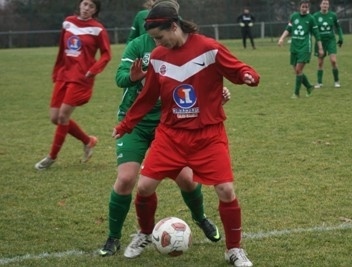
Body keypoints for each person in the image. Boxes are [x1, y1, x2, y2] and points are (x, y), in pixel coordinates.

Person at [112, 2, 260, 266]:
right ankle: (145, 233)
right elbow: (147, 98)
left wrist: (248, 75)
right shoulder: (158, 56)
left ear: (173, 26)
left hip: (208, 134)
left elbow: (237, 68)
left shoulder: (208, 48)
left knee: (226, 190)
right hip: (171, 135)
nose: (158, 43)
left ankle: (234, 249)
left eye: (160, 36)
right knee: (144, 186)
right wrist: (126, 125)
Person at [34, 0, 111, 170]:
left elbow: (106, 55)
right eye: (85, 4)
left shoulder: (97, 29)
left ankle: (51, 157)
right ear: (80, 5)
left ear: (95, 10)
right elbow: (62, 49)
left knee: (63, 117)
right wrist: (56, 71)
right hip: (64, 75)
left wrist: (93, 70)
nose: (87, 8)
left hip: (81, 78)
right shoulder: (68, 22)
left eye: (91, 6)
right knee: (55, 117)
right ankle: (88, 141)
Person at [278, 0, 323, 99]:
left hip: (305, 47)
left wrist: (320, 48)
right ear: (299, 7)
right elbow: (288, 29)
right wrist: (282, 38)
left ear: (308, 8)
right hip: (294, 47)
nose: (304, 9)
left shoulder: (311, 19)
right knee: (297, 71)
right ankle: (309, 87)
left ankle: (296, 93)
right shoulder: (294, 16)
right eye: (303, 7)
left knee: (298, 70)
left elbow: (317, 34)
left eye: (306, 7)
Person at [313, 0, 344, 88]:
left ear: (328, 6)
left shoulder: (333, 15)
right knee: (320, 63)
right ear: (320, 5)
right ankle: (319, 82)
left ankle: (336, 81)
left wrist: (341, 37)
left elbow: (338, 27)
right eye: (323, 4)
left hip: (331, 40)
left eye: (327, 4)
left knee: (333, 61)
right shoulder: (315, 16)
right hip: (320, 42)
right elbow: (312, 29)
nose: (325, 5)